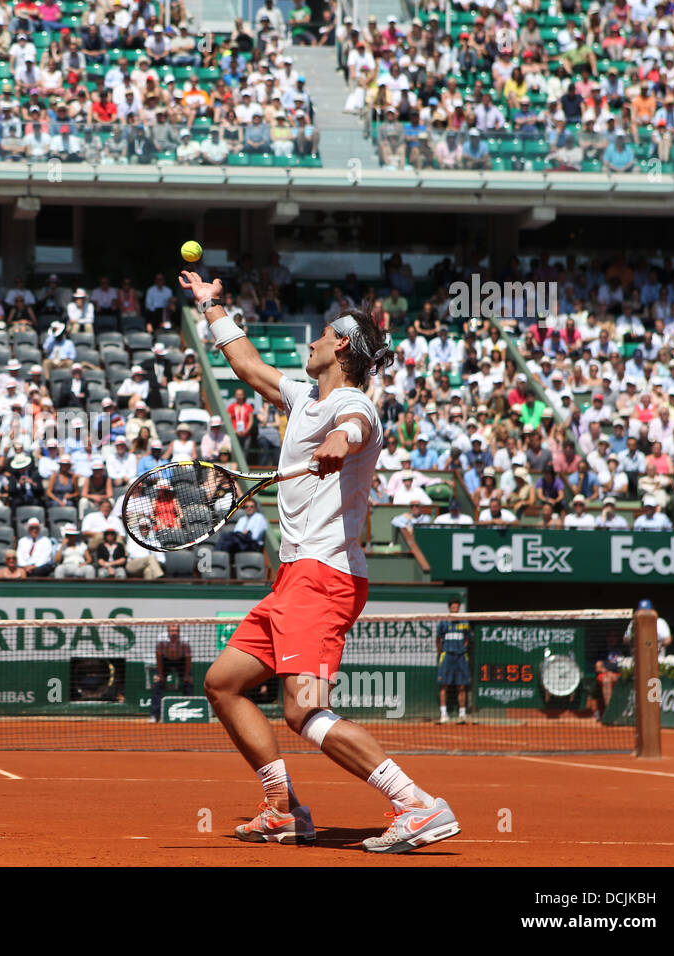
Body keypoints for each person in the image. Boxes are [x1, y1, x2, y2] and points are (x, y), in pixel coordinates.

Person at [178, 271, 458, 853]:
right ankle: (282, 809)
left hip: (325, 576)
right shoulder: (304, 394)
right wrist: (211, 308)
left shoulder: (355, 404)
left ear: (341, 347)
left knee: (305, 711)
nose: (308, 342)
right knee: (224, 683)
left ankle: (418, 805)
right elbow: (251, 368)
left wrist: (343, 441)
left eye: (320, 335)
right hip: (292, 576)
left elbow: (356, 427)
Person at [436, 598, 471, 725]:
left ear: (459, 608)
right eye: (453, 607)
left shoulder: (465, 622)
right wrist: (442, 652)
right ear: (450, 608)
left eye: (456, 607)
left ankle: (462, 714)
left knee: (462, 686)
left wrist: (463, 649)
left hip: (461, 656)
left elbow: (467, 638)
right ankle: (443, 714)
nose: (454, 609)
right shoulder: (443, 623)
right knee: (444, 685)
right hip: (447, 656)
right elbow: (438, 639)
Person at [149, 623, 193, 722]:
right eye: (172, 630)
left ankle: (189, 714)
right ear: (168, 631)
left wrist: (186, 676)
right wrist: (160, 674)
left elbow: (188, 658)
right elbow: (159, 657)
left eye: (176, 630)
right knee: (158, 684)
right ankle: (154, 715)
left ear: (179, 632)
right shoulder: (161, 639)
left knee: (188, 683)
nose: (174, 633)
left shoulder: (185, 640)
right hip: (165, 660)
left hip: (181, 661)